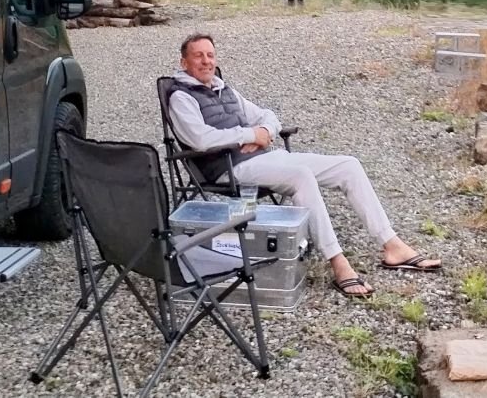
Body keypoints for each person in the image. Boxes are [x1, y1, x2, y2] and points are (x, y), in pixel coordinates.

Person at [166, 32, 442, 299]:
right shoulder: (181, 96)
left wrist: (266, 132)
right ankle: (338, 262)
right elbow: (200, 139)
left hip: (264, 158)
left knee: (349, 166)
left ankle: (392, 245)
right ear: (184, 62)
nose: (206, 61)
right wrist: (250, 135)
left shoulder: (224, 89)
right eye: (198, 56)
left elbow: (267, 115)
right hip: (229, 168)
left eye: (210, 55)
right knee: (301, 176)